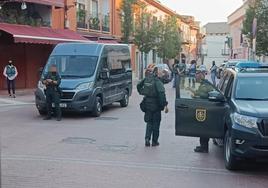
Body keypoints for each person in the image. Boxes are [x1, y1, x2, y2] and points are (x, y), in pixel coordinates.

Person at [137, 64, 168, 147]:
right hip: (156, 105)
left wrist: (142, 92)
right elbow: (161, 94)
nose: (161, 73)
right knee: (156, 124)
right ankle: (154, 141)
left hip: (147, 104)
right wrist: (164, 105)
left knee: (149, 123)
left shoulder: (147, 79)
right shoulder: (158, 81)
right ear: (156, 73)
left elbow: (138, 85)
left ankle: (147, 139)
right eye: (160, 72)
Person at [187, 71, 215, 153]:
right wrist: (192, 91)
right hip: (201, 108)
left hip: (206, 109)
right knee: (201, 129)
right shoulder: (202, 85)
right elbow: (198, 93)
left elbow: (211, 94)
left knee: (204, 129)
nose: (196, 78)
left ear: (201, 76)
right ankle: (202, 146)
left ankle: (204, 147)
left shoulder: (207, 85)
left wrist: (198, 95)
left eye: (197, 77)